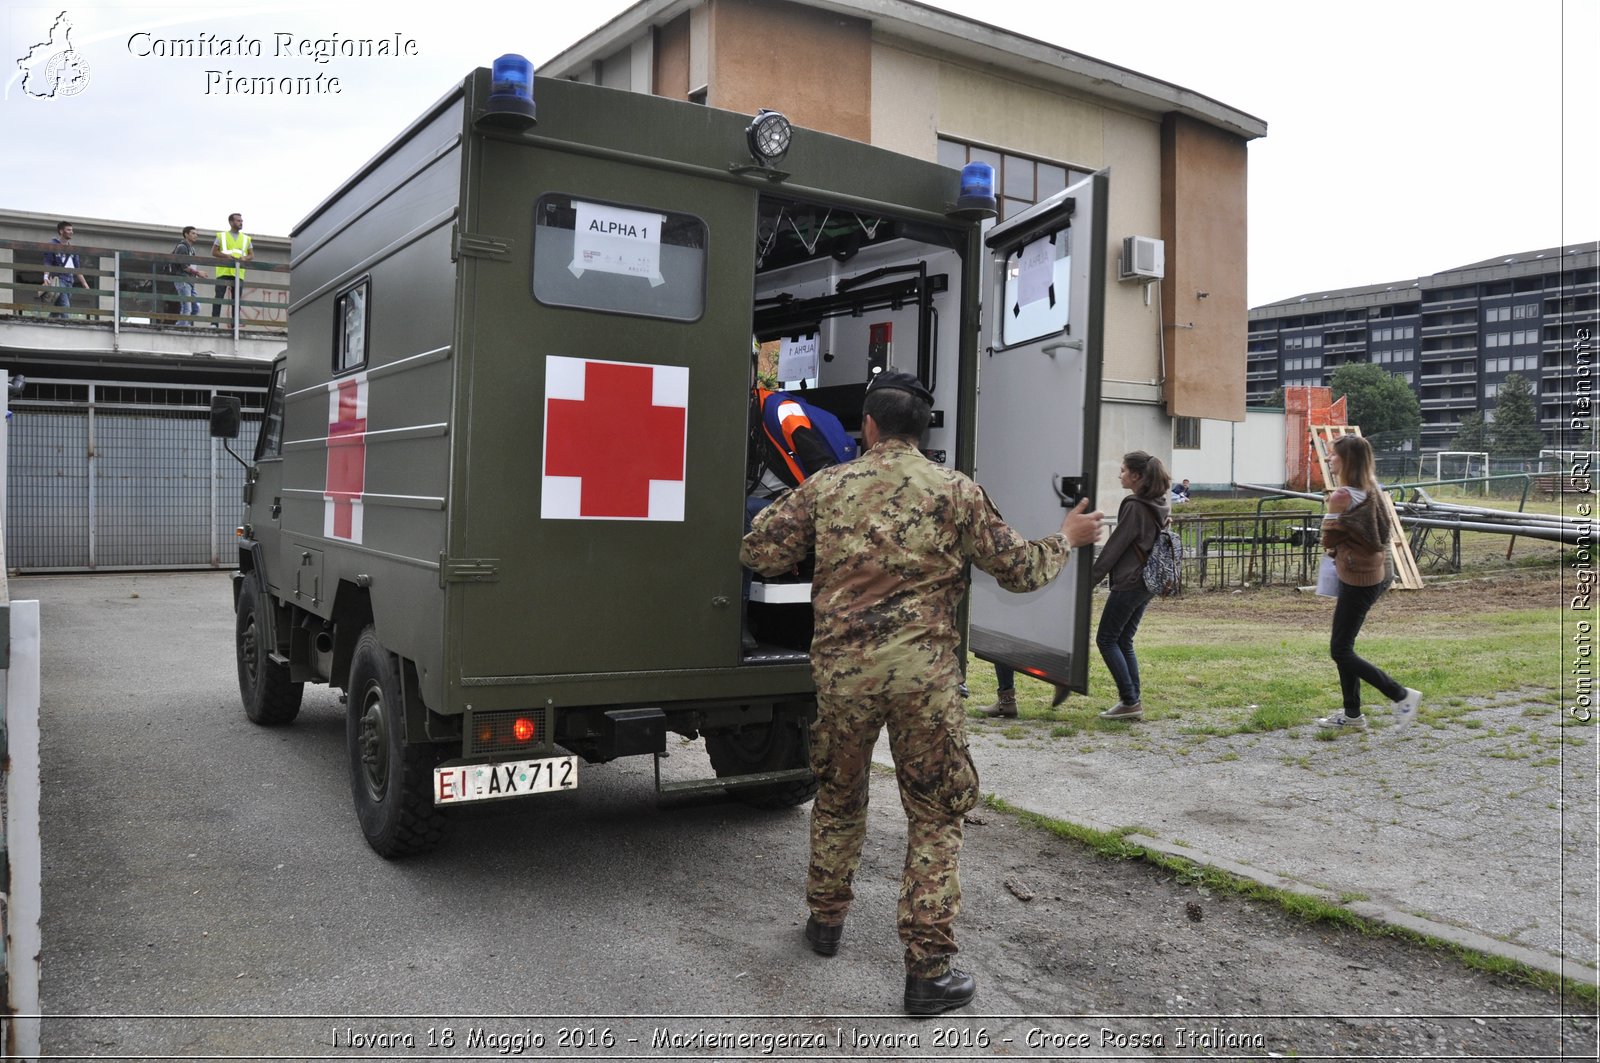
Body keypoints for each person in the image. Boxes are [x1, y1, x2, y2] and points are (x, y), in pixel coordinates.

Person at [740, 370, 1103, 1016]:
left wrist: (821, 553)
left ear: (868, 428)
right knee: (935, 811)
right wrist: (1066, 541)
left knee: (839, 795)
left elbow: (758, 551)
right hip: (923, 680)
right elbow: (1019, 569)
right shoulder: (955, 491)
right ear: (920, 431)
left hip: (843, 676)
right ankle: (927, 971)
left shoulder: (828, 485)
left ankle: (825, 921)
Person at [741, 377, 855, 651]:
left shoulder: (782, 411)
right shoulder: (739, 413)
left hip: (806, 503)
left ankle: (737, 616)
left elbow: (824, 469)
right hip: (776, 502)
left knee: (740, 510)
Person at [1317, 434, 1421, 731]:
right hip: (1373, 573)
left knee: (1340, 650)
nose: (1329, 460)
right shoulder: (1373, 489)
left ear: (1347, 460)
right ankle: (1352, 715)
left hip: (1356, 578)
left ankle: (1401, 695)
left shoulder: (1341, 496)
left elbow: (1329, 537)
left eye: (1333, 455)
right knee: (1344, 647)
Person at [1089, 451, 1172, 721]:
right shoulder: (1158, 503)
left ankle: (1129, 700)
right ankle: (1132, 700)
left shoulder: (1134, 505)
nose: (1120, 475)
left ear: (1137, 476)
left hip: (1131, 580)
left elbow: (1116, 546)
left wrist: (1090, 579)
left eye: (1123, 470)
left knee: (1106, 639)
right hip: (1148, 581)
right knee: (1124, 639)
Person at [42, 220, 91, 318]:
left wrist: (84, 283)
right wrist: (46, 277)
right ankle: (68, 327)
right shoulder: (53, 244)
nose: (71, 232)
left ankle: (48, 322)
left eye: (72, 230)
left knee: (58, 306)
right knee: (65, 306)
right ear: (61, 231)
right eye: (68, 230)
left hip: (70, 280)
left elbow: (77, 268)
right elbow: (48, 262)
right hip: (59, 279)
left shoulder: (72, 249)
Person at [211, 213, 253, 324]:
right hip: (223, 271)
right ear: (231, 222)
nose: (241, 222)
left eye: (241, 221)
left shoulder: (246, 239)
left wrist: (244, 258)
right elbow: (214, 252)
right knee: (218, 298)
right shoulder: (221, 236)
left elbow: (251, 255)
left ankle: (235, 324)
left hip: (238, 273)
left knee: (237, 300)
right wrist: (227, 256)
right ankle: (214, 323)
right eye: (238, 220)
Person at [169, 226, 205, 326]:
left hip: (190, 281)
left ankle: (182, 325)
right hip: (182, 280)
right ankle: (181, 328)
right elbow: (184, 266)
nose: (196, 235)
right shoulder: (182, 247)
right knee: (187, 307)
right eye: (193, 233)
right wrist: (198, 273)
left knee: (195, 308)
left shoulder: (192, 249)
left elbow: (191, 265)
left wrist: (195, 274)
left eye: (196, 234)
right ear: (186, 234)